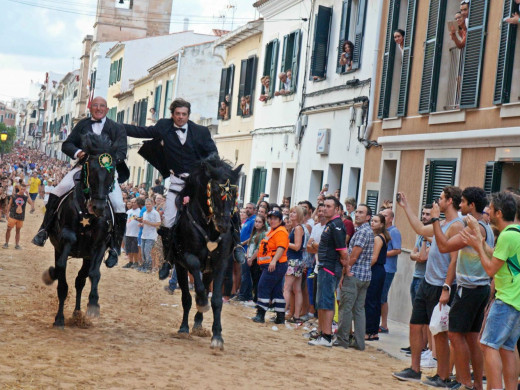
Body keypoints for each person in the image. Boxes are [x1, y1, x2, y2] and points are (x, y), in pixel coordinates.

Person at [124, 98, 244, 279]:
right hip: (178, 183)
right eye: (177, 114)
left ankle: (237, 246)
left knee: (226, 205)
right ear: (172, 114)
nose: (181, 117)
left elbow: (213, 152)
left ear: (188, 115)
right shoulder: (164, 127)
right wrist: (117, 127)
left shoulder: (201, 131)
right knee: (170, 219)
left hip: (199, 183)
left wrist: (207, 164)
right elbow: (142, 131)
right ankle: (168, 259)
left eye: (184, 114)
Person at [32, 97, 129, 269]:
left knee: (119, 205)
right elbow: (67, 144)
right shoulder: (82, 125)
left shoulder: (117, 127)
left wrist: (109, 161)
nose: (98, 109)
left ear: (107, 109)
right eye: (95, 106)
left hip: (106, 173)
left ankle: (114, 247)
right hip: (83, 169)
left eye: (102, 106)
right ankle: (44, 230)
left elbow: (121, 150)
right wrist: (78, 153)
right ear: (91, 108)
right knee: (58, 190)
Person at [393, 187, 463, 386]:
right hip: (427, 282)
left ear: (449, 201)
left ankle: (442, 376)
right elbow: (419, 229)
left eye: (441, 198)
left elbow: (454, 260)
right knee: (415, 325)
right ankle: (415, 369)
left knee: (439, 332)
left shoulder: (457, 225)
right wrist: (406, 207)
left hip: (440, 285)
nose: (437, 201)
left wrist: (446, 288)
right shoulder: (441, 223)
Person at [431, 187, 493, 390]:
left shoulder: (474, 229)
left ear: (471, 205)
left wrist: (434, 221)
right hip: (480, 287)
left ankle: (464, 381)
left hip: (470, 288)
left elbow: (444, 246)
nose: (461, 206)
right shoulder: (487, 227)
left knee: (455, 334)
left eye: (464, 202)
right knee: (472, 337)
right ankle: (475, 383)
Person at [461, 192, 520, 390]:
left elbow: (489, 269)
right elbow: (497, 256)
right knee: (507, 348)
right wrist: (478, 239)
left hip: (507, 299)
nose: (487, 212)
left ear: (499, 213)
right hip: (516, 300)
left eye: (491, 209)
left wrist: (477, 245)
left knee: (488, 345)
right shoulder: (516, 233)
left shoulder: (507, 236)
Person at [308, 197, 347, 347]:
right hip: (324, 266)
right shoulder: (331, 225)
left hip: (330, 268)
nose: (325, 208)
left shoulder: (337, 226)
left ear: (337, 210)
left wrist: (346, 269)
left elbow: (343, 251)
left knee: (327, 302)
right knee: (322, 302)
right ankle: (323, 334)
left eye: (329, 206)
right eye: (324, 205)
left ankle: (327, 336)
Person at [336, 203, 374, 351]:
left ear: (368, 217)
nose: (357, 214)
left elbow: (354, 255)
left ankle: (342, 339)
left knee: (346, 308)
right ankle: (358, 341)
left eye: (361, 212)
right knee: (358, 309)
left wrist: (345, 271)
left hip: (355, 274)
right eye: (357, 212)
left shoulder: (362, 232)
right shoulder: (366, 231)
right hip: (364, 276)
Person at [252, 210, 289, 324]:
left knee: (263, 286)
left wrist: (273, 261)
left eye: (274, 219)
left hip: (276, 264)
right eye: (270, 218)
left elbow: (281, 248)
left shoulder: (281, 232)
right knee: (277, 291)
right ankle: (280, 317)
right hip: (274, 264)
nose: (271, 221)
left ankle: (261, 314)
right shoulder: (273, 231)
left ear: (280, 220)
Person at [365, 213, 390, 341]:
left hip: (376, 270)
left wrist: (365, 268)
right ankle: (373, 331)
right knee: (373, 301)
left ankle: (370, 331)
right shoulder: (379, 237)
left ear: (381, 224)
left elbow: (374, 258)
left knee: (370, 300)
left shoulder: (378, 238)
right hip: (378, 270)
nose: (372, 223)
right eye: (372, 220)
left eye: (375, 221)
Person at [379, 208, 402, 334]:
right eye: (381, 215)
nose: (383, 217)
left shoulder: (394, 232)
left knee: (382, 296)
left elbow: (398, 249)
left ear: (391, 218)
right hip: (380, 267)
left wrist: (382, 254)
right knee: (378, 296)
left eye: (385, 215)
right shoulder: (381, 231)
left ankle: (384, 325)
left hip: (388, 268)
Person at [284, 206, 305, 322]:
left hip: (293, 260)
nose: (291, 214)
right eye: (291, 212)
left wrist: (285, 242)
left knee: (287, 288)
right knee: (296, 289)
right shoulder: (295, 228)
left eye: (294, 213)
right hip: (297, 260)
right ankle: (296, 316)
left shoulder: (297, 228)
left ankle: (281, 313)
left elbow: (297, 246)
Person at [3, 183, 34, 249]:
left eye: (24, 189)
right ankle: (6, 243)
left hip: (20, 217)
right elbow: (9, 205)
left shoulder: (25, 197)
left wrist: (28, 195)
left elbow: (31, 203)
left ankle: (17, 245)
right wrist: (7, 214)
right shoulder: (14, 196)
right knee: (9, 229)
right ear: (19, 189)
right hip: (12, 215)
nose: (22, 190)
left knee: (18, 230)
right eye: (22, 189)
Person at [246, 214, 268, 303]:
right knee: (253, 280)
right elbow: (249, 246)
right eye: (256, 221)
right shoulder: (254, 233)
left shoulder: (263, 234)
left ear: (263, 224)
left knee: (257, 281)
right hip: (250, 258)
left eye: (259, 222)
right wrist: (248, 257)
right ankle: (255, 299)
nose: (257, 224)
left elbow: (259, 249)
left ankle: (257, 300)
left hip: (257, 261)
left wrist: (251, 259)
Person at [238, 203, 257, 302]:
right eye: (247, 208)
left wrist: (242, 243)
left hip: (247, 249)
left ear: (254, 210)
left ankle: (243, 295)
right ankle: (247, 295)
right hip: (243, 248)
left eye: (250, 208)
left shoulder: (253, 221)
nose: (247, 210)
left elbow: (252, 235)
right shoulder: (247, 220)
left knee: (245, 274)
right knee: (244, 273)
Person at [139, 198, 161, 272]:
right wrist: (142, 224)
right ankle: (144, 266)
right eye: (146, 204)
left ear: (152, 204)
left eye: (149, 204)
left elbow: (158, 223)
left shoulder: (155, 213)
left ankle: (148, 267)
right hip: (144, 235)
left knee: (147, 252)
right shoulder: (145, 213)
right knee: (143, 252)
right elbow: (145, 223)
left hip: (151, 236)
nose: (147, 205)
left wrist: (148, 223)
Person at [123, 198, 141, 269]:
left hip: (136, 233)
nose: (133, 204)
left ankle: (136, 262)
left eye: (134, 202)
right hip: (128, 233)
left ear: (137, 203)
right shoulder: (128, 212)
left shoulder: (140, 211)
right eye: (132, 202)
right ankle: (130, 262)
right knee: (129, 249)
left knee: (135, 249)